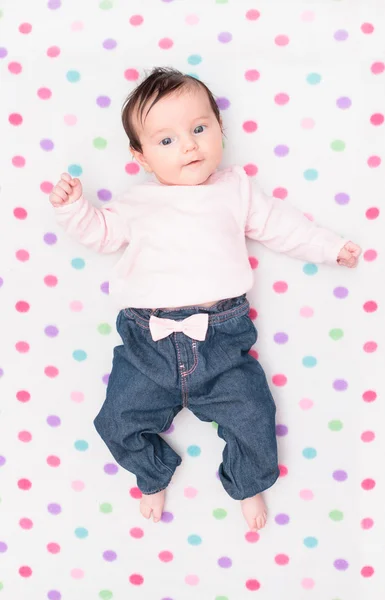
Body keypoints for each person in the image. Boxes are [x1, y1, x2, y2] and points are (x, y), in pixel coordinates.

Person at [49, 67, 361, 531]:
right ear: (142, 157)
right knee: (116, 420)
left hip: (221, 340)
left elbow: (282, 226)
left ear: (220, 129)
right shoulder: (136, 204)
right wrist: (74, 208)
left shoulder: (234, 191)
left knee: (254, 416)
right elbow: (100, 233)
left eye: (199, 129)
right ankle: (151, 473)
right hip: (145, 344)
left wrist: (329, 247)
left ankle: (247, 482)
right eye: (167, 140)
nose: (190, 145)